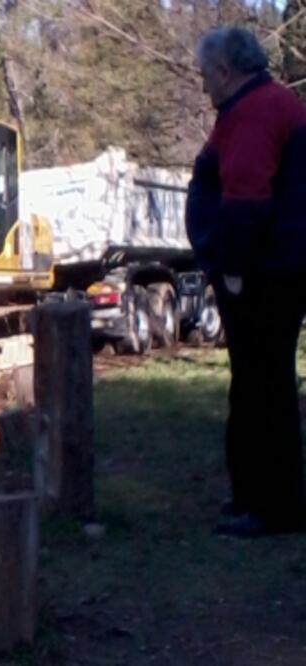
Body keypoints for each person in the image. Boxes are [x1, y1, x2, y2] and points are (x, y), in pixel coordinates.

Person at [185, 26, 306, 537]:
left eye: (206, 75)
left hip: (265, 273)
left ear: (226, 71)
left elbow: (246, 199)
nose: (203, 86)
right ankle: (256, 497)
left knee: (264, 385)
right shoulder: (263, 105)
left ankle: (271, 507)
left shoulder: (256, 112)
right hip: (274, 267)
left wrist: (231, 270)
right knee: (260, 383)